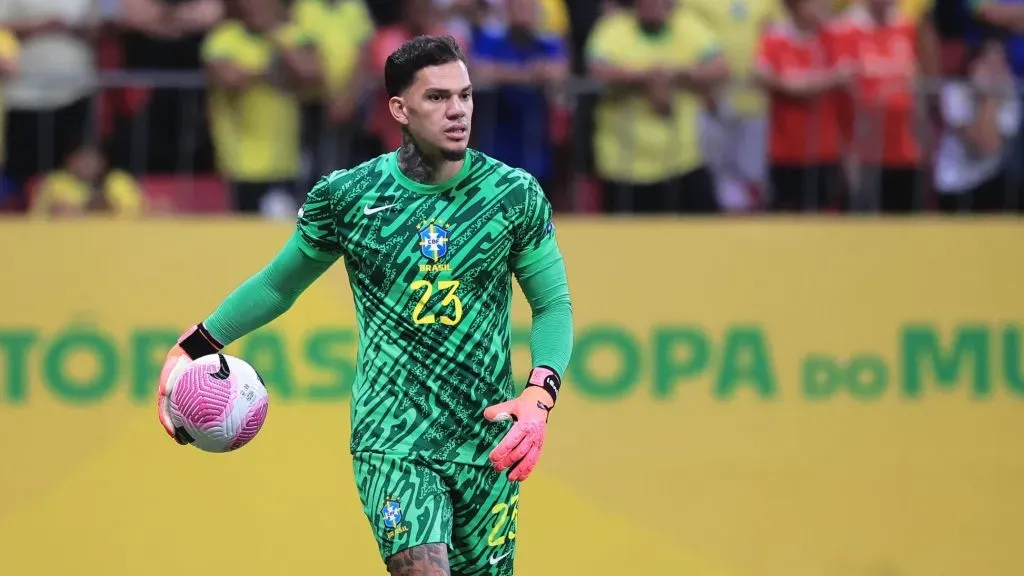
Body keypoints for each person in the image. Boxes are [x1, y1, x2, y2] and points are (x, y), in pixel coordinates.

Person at [155, 35, 574, 576]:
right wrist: (193, 344)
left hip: (485, 439)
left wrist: (540, 396)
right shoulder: (349, 196)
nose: (458, 112)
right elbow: (280, 284)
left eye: (465, 96)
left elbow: (553, 306)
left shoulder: (512, 194)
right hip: (392, 435)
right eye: (438, 98)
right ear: (399, 109)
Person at [934, 37, 1021, 212]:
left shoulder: (1011, 94)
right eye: (989, 62)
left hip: (991, 181)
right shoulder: (955, 91)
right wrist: (987, 98)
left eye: (1000, 62)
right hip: (956, 183)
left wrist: (990, 96)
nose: (994, 70)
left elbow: (991, 145)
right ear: (973, 64)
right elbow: (978, 145)